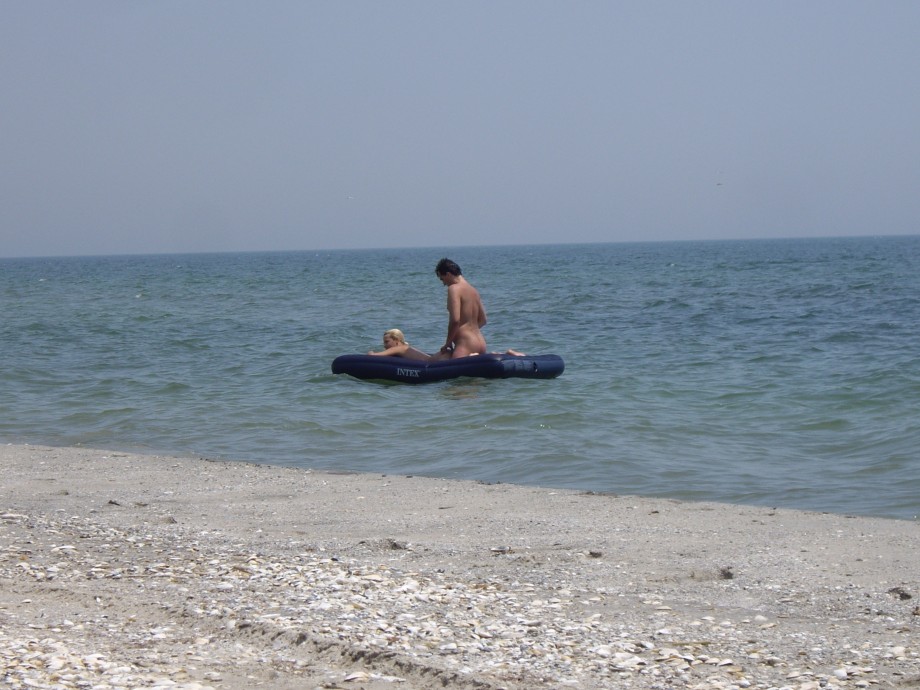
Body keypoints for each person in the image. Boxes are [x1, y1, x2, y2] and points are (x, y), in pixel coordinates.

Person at [434, 258, 488, 358]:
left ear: (448, 274)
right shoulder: (473, 290)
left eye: (442, 279)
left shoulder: (454, 288)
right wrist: (471, 332)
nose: (444, 283)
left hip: (466, 344)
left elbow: (455, 320)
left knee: (452, 372)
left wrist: (448, 343)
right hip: (480, 341)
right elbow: (483, 320)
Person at [368, 328, 523, 360]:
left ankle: (502, 355)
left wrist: (371, 354)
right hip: (441, 356)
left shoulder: (400, 348)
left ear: (396, 340)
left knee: (463, 361)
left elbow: (379, 356)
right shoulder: (405, 347)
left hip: (436, 360)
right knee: (467, 359)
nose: (385, 346)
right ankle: (506, 354)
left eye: (387, 342)